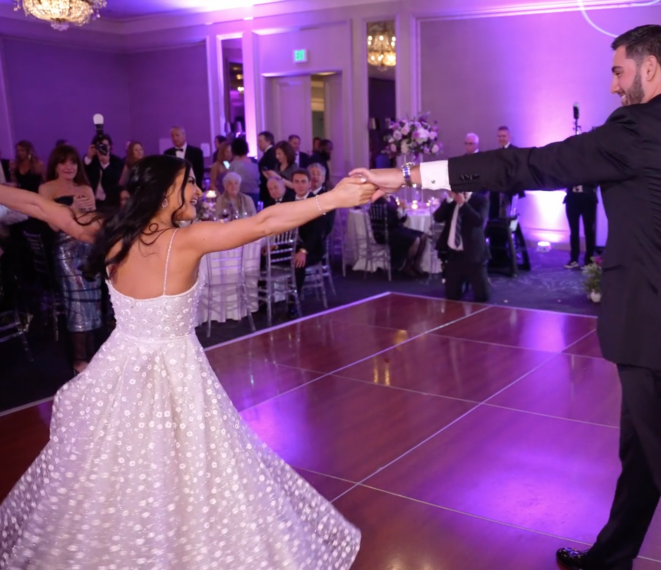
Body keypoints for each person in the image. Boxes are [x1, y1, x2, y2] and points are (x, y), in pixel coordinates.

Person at [353, 24, 661, 570]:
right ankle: (611, 557)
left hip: (653, 332)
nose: (613, 85)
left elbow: (526, 165)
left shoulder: (637, 129)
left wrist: (412, 174)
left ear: (650, 69)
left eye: (618, 71)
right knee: (645, 457)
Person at [0, 154, 377, 568]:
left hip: (118, 366)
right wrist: (335, 199)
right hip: (176, 373)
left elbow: (38, 206)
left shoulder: (108, 233)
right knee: (189, 468)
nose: (198, 191)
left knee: (116, 471)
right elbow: (265, 223)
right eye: (191, 183)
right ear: (166, 193)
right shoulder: (187, 239)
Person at [40, 144, 103, 374]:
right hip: (66, 252)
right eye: (63, 162)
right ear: (55, 165)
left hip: (89, 249)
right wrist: (72, 208)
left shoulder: (85, 187)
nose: (69, 166)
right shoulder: (46, 188)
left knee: (94, 302)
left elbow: (93, 222)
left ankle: (93, 355)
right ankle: (79, 359)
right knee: (77, 304)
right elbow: (54, 225)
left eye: (73, 162)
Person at [434, 189, 490, 301]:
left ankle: (483, 281)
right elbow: (438, 217)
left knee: (482, 296)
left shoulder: (480, 200)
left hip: (473, 254)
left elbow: (478, 221)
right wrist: (449, 199)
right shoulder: (451, 202)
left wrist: (463, 204)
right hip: (454, 255)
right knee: (452, 296)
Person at [564, 183, 598, 268]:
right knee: (574, 231)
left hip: (588, 198)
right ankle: (574, 259)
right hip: (572, 198)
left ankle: (589, 260)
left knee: (589, 230)